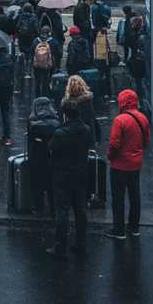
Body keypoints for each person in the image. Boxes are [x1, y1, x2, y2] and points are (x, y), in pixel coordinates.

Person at [46, 100, 94, 259]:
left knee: (62, 210)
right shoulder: (86, 130)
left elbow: (51, 149)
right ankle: (81, 244)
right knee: (80, 210)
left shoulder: (60, 133)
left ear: (65, 115)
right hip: (81, 174)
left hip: (62, 176)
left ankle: (60, 246)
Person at [105, 88, 150, 240]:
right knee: (134, 195)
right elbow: (147, 142)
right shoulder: (142, 118)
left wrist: (110, 157)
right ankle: (134, 227)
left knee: (118, 198)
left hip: (119, 165)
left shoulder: (120, 120)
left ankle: (119, 229)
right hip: (136, 163)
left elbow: (114, 144)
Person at [28, 97, 60, 216]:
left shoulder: (32, 121)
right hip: (52, 157)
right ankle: (53, 208)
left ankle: (38, 208)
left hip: (37, 157)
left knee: (37, 185)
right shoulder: (56, 121)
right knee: (52, 185)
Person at [60, 75, 101, 146]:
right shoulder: (87, 100)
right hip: (88, 135)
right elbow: (92, 118)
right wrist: (98, 137)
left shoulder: (65, 102)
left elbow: (62, 120)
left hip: (70, 135)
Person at [15, 3, 39, 77]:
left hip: (22, 37)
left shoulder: (21, 16)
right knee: (30, 53)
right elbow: (36, 28)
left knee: (23, 52)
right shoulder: (34, 17)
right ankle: (29, 70)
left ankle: (23, 68)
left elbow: (17, 26)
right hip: (31, 37)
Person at [32, 28, 54, 98]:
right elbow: (58, 52)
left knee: (37, 81)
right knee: (46, 80)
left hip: (37, 65)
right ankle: (46, 95)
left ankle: (37, 95)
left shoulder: (35, 41)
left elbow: (31, 52)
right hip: (47, 65)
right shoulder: (53, 41)